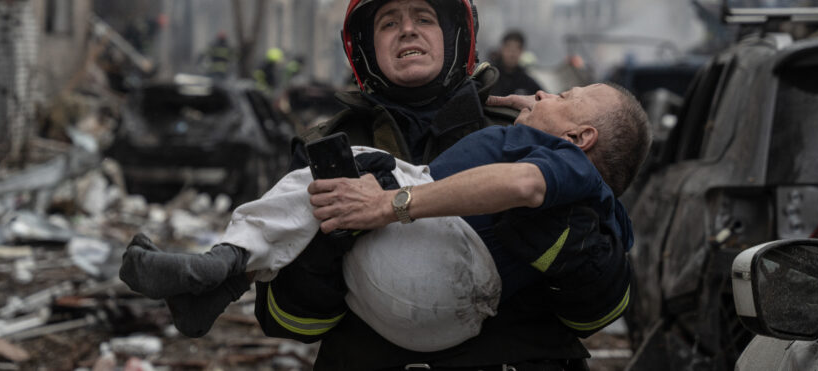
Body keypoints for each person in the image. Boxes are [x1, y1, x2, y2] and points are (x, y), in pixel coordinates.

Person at [119, 82, 649, 354]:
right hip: (431, 322)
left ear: (582, 140)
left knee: (356, 171)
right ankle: (219, 282)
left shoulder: (563, 164)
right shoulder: (576, 177)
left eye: (564, 96)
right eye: (390, 21)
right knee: (337, 186)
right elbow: (287, 322)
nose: (541, 93)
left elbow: (524, 184)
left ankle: (225, 263)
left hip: (440, 279)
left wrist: (390, 204)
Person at [490, 29, 543, 96]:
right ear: (501, 49)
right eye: (509, 48)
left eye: (516, 49)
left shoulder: (526, 82)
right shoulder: (490, 77)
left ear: (522, 51)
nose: (512, 54)